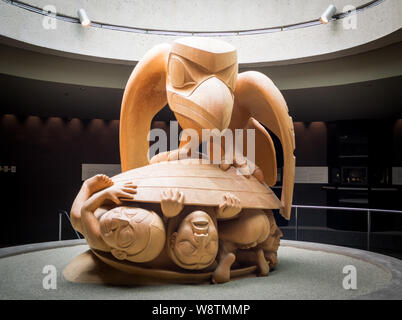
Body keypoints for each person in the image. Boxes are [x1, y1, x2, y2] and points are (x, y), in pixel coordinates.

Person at [70, 174, 166, 263]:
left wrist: (105, 193)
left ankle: (87, 187)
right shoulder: (120, 214)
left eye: (124, 235)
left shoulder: (98, 242)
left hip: (88, 214)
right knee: (121, 195)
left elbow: (86, 210)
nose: (119, 220)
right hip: (109, 208)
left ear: (118, 253)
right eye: (130, 214)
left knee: (76, 217)